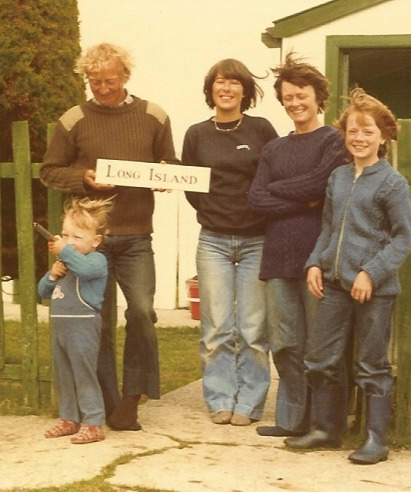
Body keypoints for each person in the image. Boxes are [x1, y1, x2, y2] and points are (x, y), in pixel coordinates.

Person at [40, 42, 178, 431]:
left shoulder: (154, 115)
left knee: (141, 313)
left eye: (110, 81)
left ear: (126, 76)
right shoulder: (73, 119)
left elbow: (171, 163)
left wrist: (165, 176)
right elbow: (50, 172)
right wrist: (82, 178)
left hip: (135, 237)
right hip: (87, 242)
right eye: (94, 81)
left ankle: (132, 398)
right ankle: (104, 400)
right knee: (94, 320)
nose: (101, 88)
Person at [284, 88, 411, 464]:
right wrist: (314, 263)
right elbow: (327, 227)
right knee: (320, 358)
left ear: (383, 137)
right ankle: (326, 429)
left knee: (371, 365)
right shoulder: (338, 178)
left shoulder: (392, 184)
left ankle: (376, 440)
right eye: (353, 132)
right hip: (336, 285)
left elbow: (402, 238)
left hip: (375, 289)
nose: (359, 138)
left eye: (368, 132)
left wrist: (370, 274)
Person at [248, 53, 347, 437]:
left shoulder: (333, 141)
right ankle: (291, 419)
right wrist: (299, 199)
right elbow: (256, 199)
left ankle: (322, 424)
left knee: (319, 346)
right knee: (285, 343)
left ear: (317, 95)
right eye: (288, 96)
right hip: (277, 258)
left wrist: (279, 191)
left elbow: (322, 184)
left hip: (316, 258)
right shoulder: (274, 148)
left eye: (301, 94)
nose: (295, 102)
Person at [181, 59, 278, 426]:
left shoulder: (261, 129)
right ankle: (220, 397)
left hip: (257, 240)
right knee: (216, 327)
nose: (227, 88)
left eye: (234, 82)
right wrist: (213, 210)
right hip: (214, 241)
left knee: (253, 329)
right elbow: (193, 186)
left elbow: (275, 173)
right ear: (211, 89)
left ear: (245, 91)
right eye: (220, 82)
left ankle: (250, 402)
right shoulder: (196, 134)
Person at [39, 196, 114, 444]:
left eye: (77, 237)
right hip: (61, 328)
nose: (68, 242)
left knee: (83, 373)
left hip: (82, 327)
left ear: (96, 240)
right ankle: (69, 418)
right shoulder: (65, 262)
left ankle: (93, 422)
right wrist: (51, 275)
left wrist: (65, 253)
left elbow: (86, 270)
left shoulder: (95, 261)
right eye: (65, 235)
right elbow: (43, 292)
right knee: (64, 374)